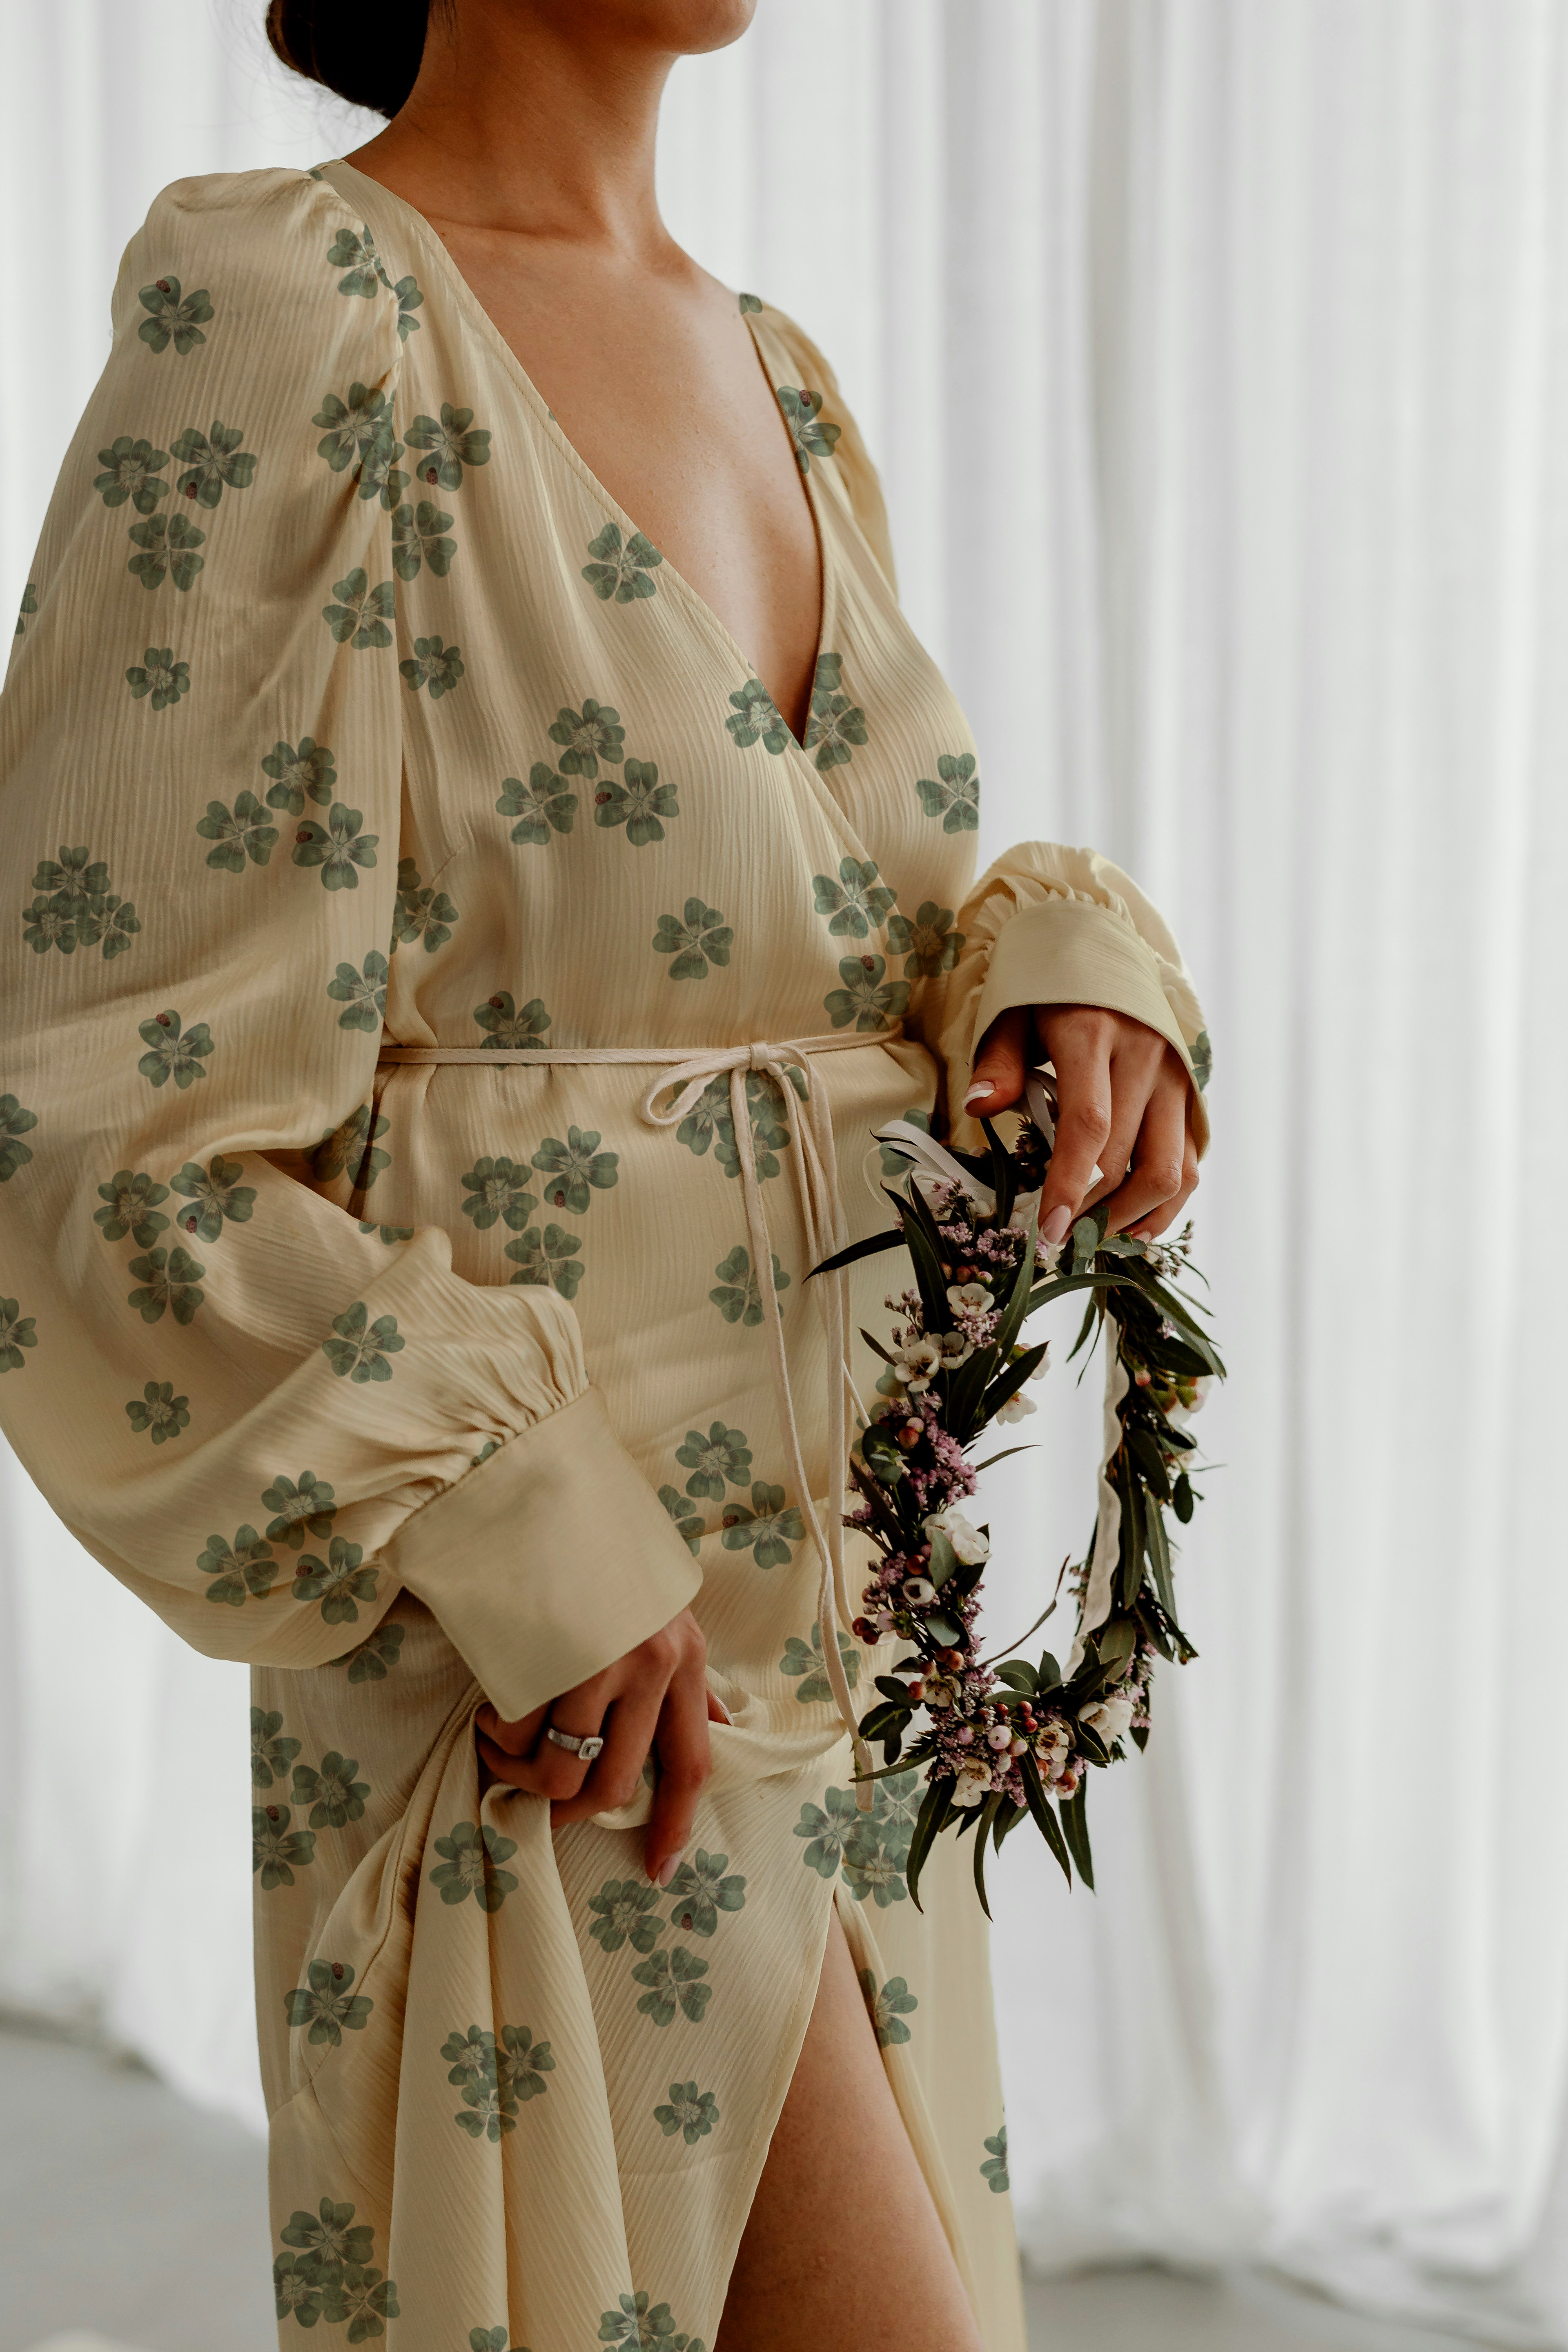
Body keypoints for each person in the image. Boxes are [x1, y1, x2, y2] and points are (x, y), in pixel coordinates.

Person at [0, 3, 1208, 2345]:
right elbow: (96, 1123)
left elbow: (838, 922)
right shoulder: (294, 310)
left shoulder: (777, 369)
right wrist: (525, 1525)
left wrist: (1063, 978)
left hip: (871, 1655)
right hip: (562, 1686)